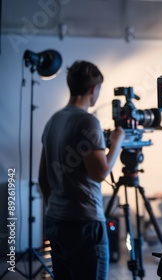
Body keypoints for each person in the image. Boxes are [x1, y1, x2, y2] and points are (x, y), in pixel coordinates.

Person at [38, 60, 125, 279]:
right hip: (84, 224)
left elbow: (42, 178)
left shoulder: (52, 121)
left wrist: (57, 209)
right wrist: (116, 142)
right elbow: (100, 173)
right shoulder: (88, 122)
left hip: (56, 222)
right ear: (93, 89)